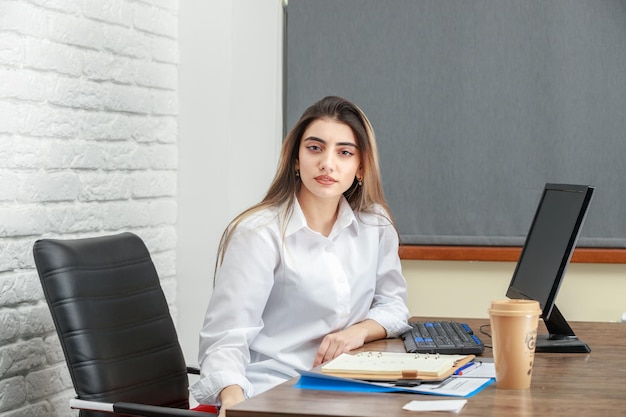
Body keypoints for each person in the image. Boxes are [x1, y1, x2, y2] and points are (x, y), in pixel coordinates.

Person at [190, 96, 411, 415]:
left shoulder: (374, 224)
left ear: (360, 166)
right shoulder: (260, 233)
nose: (328, 164)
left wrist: (357, 332)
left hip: (350, 391)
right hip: (274, 393)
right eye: (315, 148)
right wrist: (233, 400)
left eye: (344, 152)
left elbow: (394, 306)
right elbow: (226, 338)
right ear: (296, 159)